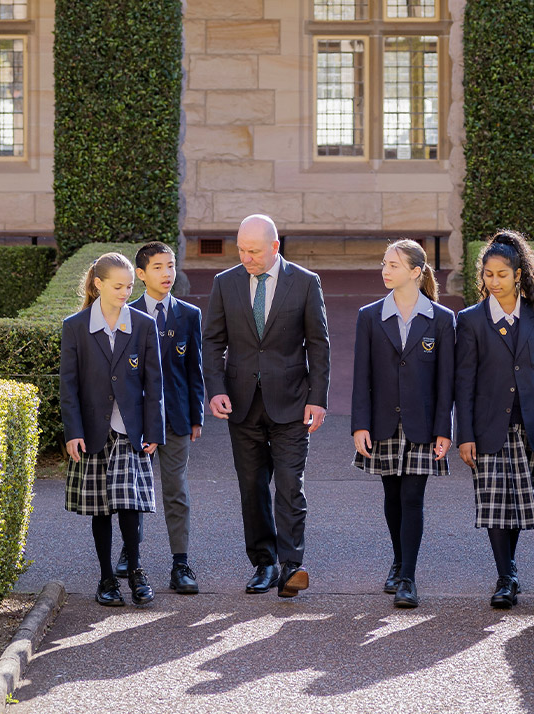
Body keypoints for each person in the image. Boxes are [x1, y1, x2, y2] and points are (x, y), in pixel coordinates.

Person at [201, 214, 332, 598]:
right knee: (252, 488)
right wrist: (216, 389)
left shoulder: (306, 283)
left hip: (292, 403)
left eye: (254, 251)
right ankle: (264, 563)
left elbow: (319, 344)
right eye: (241, 250)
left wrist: (318, 399)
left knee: (291, 486)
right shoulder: (225, 283)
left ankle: (292, 566)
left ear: (275, 248)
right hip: (241, 404)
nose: (246, 258)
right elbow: (212, 343)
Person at [455, 230, 534, 609]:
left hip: (530, 428)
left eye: (502, 274)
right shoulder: (470, 321)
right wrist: (463, 435)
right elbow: (463, 382)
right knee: (495, 506)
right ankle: (506, 576)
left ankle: (510, 568)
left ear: (518, 274)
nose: (494, 281)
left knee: (519, 504)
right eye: (488, 274)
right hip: (488, 429)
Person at [350, 239, 455, 609]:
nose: (385, 270)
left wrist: (445, 429)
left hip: (423, 427)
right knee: (392, 496)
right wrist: (358, 425)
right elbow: (361, 376)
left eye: (393, 265)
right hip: (382, 424)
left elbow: (447, 382)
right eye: (383, 263)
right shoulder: (369, 316)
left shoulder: (442, 319)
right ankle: (397, 560)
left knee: (413, 498)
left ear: (415, 271)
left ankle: (407, 578)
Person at [59, 252, 167, 607]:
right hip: (92, 431)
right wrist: (73, 431)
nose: (125, 292)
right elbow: (69, 386)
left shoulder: (142, 324)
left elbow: (154, 384)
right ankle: (107, 578)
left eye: (129, 287)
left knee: (130, 504)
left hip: (130, 430)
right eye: (117, 286)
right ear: (98, 284)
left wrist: (155, 430)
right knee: (101, 508)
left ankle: (136, 572)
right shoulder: (75, 326)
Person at [114, 241, 205, 594]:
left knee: (176, 490)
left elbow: (194, 370)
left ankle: (180, 563)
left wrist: (196, 414)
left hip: (178, 418)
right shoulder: (126, 313)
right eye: (158, 267)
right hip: (137, 420)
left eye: (171, 266)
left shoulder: (189, 315)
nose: (167, 273)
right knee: (132, 491)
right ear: (140, 274)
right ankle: (130, 553)